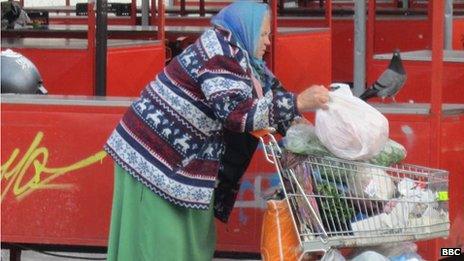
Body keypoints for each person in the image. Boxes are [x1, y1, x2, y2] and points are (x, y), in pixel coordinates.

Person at [104, 1, 329, 260]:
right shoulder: (218, 55)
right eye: (264, 34)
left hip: (183, 159)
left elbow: (266, 91)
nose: (268, 42)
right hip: (154, 157)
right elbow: (236, 113)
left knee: (191, 236)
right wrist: (298, 101)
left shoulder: (240, 55)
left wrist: (303, 126)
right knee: (160, 241)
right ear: (247, 29)